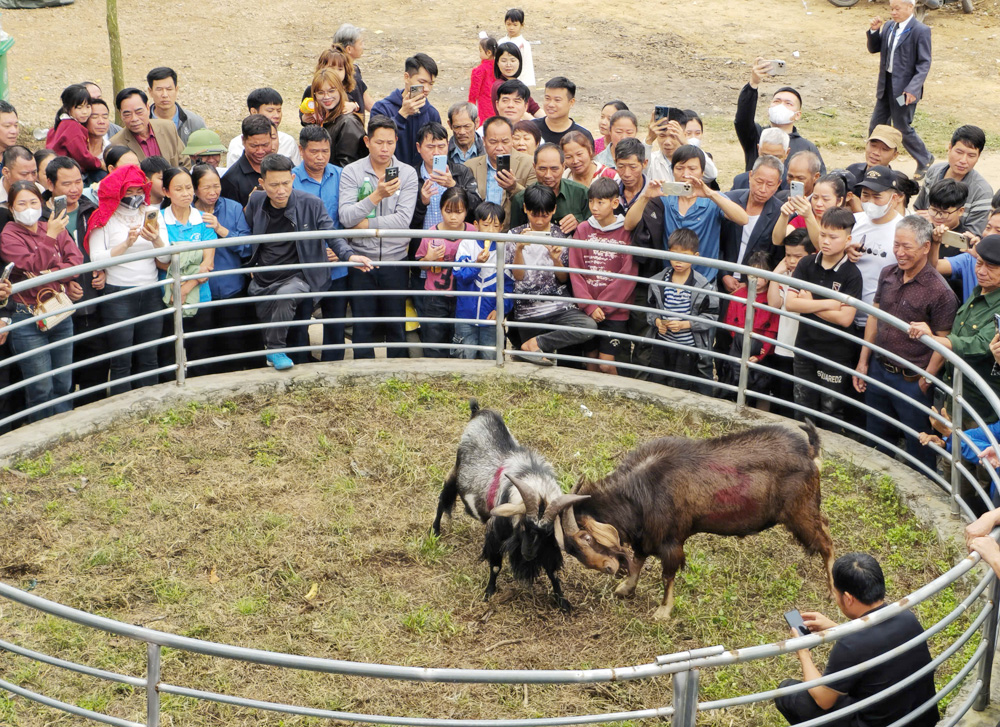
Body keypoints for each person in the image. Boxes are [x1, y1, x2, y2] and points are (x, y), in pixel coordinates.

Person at [775, 552, 938, 727]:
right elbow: (874, 641)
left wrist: (803, 651)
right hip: (921, 718)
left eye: (835, 593)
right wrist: (836, 628)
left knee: (787, 693)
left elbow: (823, 699)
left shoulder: (851, 644)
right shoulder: (906, 616)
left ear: (848, 598)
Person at [245, 154, 368, 370]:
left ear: (293, 178)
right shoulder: (256, 200)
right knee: (274, 322)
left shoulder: (310, 203)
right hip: (266, 276)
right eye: (274, 185)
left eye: (285, 183)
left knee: (289, 302)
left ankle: (276, 350)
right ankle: (279, 357)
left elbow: (331, 233)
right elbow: (249, 233)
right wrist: (251, 265)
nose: (281, 190)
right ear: (262, 183)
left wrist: (348, 255)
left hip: (300, 275)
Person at [853, 216, 957, 470]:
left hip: (912, 379)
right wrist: (864, 361)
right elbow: (874, 318)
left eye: (907, 246)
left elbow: (944, 341)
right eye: (896, 244)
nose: (899, 252)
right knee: (876, 432)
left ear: (925, 247)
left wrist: (926, 379)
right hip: (880, 368)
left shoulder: (941, 292)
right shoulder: (888, 273)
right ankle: (873, 480)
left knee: (918, 443)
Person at [1, 180, 83, 421]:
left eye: (33, 202)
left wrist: (48, 268)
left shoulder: (53, 226)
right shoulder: (9, 235)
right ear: (11, 208)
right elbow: (29, 264)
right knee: (40, 388)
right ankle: (41, 440)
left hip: (59, 311)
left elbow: (75, 262)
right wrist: (50, 239)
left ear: (42, 202)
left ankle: (64, 432)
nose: (29, 208)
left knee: (63, 382)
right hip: (27, 318)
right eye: (22, 203)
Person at [338, 115, 419, 359]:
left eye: (390, 143)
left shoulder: (407, 173)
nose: (385, 149)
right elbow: (345, 216)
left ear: (396, 141)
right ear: (367, 141)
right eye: (379, 142)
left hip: (395, 260)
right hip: (362, 260)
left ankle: (399, 376)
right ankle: (363, 376)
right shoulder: (351, 172)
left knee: (396, 324)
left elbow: (403, 221)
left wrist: (364, 224)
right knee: (363, 326)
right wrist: (376, 196)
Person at [86, 165, 171, 395]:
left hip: (151, 291)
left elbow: (166, 256)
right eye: (129, 191)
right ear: (117, 191)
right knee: (121, 359)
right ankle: (121, 410)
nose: (134, 197)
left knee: (149, 356)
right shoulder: (102, 217)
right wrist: (126, 244)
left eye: (138, 191)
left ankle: (151, 405)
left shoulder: (151, 212)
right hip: (118, 295)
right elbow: (96, 259)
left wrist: (155, 241)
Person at [912, 235, 1000, 435]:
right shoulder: (980, 291)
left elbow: (979, 344)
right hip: (955, 394)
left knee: (980, 459)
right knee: (950, 455)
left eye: (991, 268)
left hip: (981, 407)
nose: (981, 271)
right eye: (979, 263)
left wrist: (933, 339)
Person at [626, 145, 750, 283]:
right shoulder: (665, 197)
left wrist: (710, 194)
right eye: (679, 168)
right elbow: (629, 224)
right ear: (672, 170)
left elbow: (743, 219)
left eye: (692, 169)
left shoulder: (713, 199)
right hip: (669, 281)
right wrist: (645, 197)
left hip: (704, 282)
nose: (685, 174)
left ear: (702, 172)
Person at [785, 208, 863, 425]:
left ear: (848, 240)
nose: (826, 241)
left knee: (831, 410)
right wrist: (831, 302)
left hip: (835, 354)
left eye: (833, 237)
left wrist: (808, 303)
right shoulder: (806, 263)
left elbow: (846, 319)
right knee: (802, 406)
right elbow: (790, 303)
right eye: (822, 235)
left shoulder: (852, 274)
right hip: (804, 346)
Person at [506, 185, 596, 364]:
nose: (539, 221)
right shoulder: (514, 235)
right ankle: (532, 346)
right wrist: (519, 250)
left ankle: (535, 343)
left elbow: (563, 279)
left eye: (545, 215)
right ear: (525, 209)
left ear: (553, 210)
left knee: (588, 327)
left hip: (560, 307)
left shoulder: (562, 236)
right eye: (534, 214)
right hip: (527, 309)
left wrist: (556, 259)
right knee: (532, 367)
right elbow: (518, 276)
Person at [44, 156, 106, 405]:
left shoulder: (90, 209)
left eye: (78, 182)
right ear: (50, 184)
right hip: (56, 306)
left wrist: (102, 269)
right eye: (66, 184)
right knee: (63, 373)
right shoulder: (39, 217)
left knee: (97, 368)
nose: (74, 189)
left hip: (93, 302)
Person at [191, 164, 256, 372]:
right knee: (202, 347)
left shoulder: (234, 208)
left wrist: (221, 230)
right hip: (198, 291)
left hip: (231, 290)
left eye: (216, 186)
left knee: (233, 345)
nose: (213, 192)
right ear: (194, 189)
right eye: (206, 187)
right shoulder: (187, 213)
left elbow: (248, 247)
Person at [569, 177, 637, 374]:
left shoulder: (626, 231)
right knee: (590, 359)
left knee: (606, 363)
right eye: (591, 201)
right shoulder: (583, 229)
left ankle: (616, 397)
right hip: (588, 309)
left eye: (600, 202)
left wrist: (604, 306)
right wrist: (589, 305)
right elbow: (576, 270)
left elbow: (628, 275)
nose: (594, 207)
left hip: (615, 311)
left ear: (614, 203)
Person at [866, 0, 934, 180]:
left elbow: (924, 63)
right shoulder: (889, 26)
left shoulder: (920, 31)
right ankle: (878, 165)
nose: (893, 12)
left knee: (902, 126)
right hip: (886, 87)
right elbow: (874, 49)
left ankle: (925, 158)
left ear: (910, 8)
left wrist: (913, 89)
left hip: (904, 92)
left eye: (897, 9)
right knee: (876, 126)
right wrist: (874, 31)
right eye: (891, 9)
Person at [157, 167, 215, 370]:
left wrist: (183, 289)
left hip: (199, 296)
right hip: (167, 297)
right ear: (166, 192)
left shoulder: (204, 219)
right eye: (179, 189)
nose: (186, 193)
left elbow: (207, 264)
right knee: (168, 353)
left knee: (200, 350)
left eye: (189, 187)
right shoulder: (159, 219)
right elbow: (160, 261)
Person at [646, 228, 718, 394]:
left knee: (682, 386)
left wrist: (685, 324)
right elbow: (650, 309)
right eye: (674, 254)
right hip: (662, 343)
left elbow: (711, 316)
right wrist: (657, 322)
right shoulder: (658, 281)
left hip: (687, 347)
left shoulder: (703, 285)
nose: (678, 261)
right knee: (659, 381)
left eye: (684, 255)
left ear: (695, 256)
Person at [414, 186, 475, 357]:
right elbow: (420, 264)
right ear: (440, 209)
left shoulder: (472, 232)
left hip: (463, 296)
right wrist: (429, 258)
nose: (453, 217)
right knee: (434, 338)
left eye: (459, 211)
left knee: (459, 338)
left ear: (466, 212)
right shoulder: (432, 233)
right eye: (448, 211)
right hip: (435, 296)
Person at [734, 60, 825, 174]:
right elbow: (743, 119)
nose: (781, 106)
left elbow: (819, 179)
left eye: (788, 103)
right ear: (769, 109)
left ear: (797, 115)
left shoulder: (807, 148)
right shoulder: (756, 135)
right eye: (777, 101)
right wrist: (753, 84)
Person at [850, 167, 906, 336]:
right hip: (847, 315)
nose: (870, 201)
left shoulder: (904, 229)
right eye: (865, 195)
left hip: (881, 322)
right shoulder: (854, 221)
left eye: (877, 196)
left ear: (894, 198)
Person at [453, 201, 512, 359]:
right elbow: (460, 274)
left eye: (495, 226)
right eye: (485, 225)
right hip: (466, 316)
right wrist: (477, 264)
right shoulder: (467, 244)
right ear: (476, 225)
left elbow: (509, 286)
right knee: (465, 356)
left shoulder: (504, 249)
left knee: (490, 357)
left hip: (491, 318)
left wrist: (501, 309)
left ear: (501, 228)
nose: (490, 230)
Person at [719, 155, 784, 297]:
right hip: (721, 281)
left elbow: (777, 256)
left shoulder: (781, 214)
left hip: (756, 290)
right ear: (750, 176)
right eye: (759, 182)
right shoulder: (730, 200)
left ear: (778, 184)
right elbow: (716, 240)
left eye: (770, 185)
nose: (763, 189)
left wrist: (752, 283)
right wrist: (723, 274)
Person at [766, 229, 815, 415]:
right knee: (783, 396)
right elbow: (774, 303)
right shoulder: (785, 274)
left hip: (804, 346)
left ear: (811, 255)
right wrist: (776, 275)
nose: (792, 261)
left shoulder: (813, 277)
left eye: (798, 256)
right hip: (784, 344)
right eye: (788, 255)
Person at [912, 125, 992, 236]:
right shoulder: (933, 171)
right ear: (949, 148)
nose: (963, 160)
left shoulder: (982, 192)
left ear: (978, 156)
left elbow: (973, 236)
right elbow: (919, 209)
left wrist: (936, 222)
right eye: (959, 152)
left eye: (971, 155)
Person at [721, 251, 779, 393]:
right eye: (752, 274)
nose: (756, 280)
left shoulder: (772, 298)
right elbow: (731, 322)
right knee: (734, 383)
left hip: (764, 352)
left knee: (762, 389)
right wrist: (742, 344)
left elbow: (772, 329)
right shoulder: (739, 294)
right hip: (739, 347)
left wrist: (760, 353)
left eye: (761, 275)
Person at [463, 116, 536, 230]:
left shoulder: (529, 164)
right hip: (480, 233)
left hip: (514, 234)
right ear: (484, 141)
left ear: (512, 140)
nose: (499, 147)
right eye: (493, 142)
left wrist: (514, 187)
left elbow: (535, 202)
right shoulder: (470, 166)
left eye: (505, 141)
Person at [371, 53, 441, 170]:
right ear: (406, 77)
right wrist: (402, 114)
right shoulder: (381, 108)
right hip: (390, 174)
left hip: (421, 180)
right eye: (422, 82)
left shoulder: (432, 113)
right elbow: (378, 141)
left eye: (431, 84)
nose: (427, 89)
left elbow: (438, 150)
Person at [410, 121, 482, 231]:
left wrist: (454, 186)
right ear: (418, 147)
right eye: (430, 147)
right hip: (423, 243)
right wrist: (422, 202)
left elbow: (477, 208)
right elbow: (407, 221)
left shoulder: (461, 172)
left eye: (441, 146)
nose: (436, 152)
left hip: (459, 243)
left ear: (448, 146)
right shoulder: (411, 175)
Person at [508, 143, 588, 233]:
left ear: (563, 167)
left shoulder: (581, 193)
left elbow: (597, 227)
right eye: (542, 169)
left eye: (554, 169)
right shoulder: (520, 199)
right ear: (534, 167)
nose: (548, 175)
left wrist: (581, 223)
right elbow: (514, 237)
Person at [301, 68, 367, 167]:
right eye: (320, 92)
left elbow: (347, 166)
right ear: (314, 95)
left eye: (331, 91)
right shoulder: (322, 118)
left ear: (340, 90)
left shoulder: (348, 122)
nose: (326, 97)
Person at [936, 207, 1000, 304]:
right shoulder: (971, 257)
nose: (989, 234)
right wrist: (935, 243)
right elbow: (934, 267)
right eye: (988, 227)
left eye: (998, 231)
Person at [110, 88, 188, 167]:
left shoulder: (168, 127)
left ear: (147, 108)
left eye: (139, 112)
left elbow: (185, 162)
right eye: (127, 114)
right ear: (120, 115)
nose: (134, 119)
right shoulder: (116, 144)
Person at [226, 89, 301, 168]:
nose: (277, 115)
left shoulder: (288, 141)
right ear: (254, 112)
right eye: (270, 111)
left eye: (279, 111)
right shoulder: (237, 144)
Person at [773, 172, 850, 248]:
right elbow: (777, 240)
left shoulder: (844, 223)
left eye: (825, 199)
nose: (819, 204)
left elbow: (821, 247)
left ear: (839, 201)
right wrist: (784, 215)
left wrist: (809, 216)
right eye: (815, 197)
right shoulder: (802, 219)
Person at [649, 113, 719, 186]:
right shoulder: (651, 160)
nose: (667, 142)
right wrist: (649, 139)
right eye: (662, 136)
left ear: (683, 135)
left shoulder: (693, 158)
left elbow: (711, 174)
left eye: (673, 136)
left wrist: (686, 143)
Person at [45, 84, 101, 175]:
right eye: (79, 108)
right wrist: (99, 163)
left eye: (88, 106)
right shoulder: (73, 127)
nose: (85, 112)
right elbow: (82, 157)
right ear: (67, 108)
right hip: (66, 172)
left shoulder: (62, 124)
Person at [221, 115, 273, 207]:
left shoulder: (283, 166)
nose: (260, 151)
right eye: (254, 146)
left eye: (265, 145)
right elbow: (231, 218)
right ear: (243, 141)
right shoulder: (231, 180)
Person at [300, 46, 361, 122]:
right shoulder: (311, 90)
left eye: (340, 69)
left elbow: (360, 112)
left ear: (346, 71)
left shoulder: (351, 90)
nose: (336, 72)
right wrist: (304, 119)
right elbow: (302, 111)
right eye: (331, 68)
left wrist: (354, 106)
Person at [146, 67, 206, 144]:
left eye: (169, 89)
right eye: (159, 89)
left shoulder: (194, 122)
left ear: (176, 90)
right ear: (150, 92)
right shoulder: (143, 123)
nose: (164, 95)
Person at [533, 77, 594, 147]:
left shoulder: (583, 135)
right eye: (547, 98)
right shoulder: (531, 129)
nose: (551, 104)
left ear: (571, 102)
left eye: (557, 100)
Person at [332, 23, 375, 113]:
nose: (363, 46)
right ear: (349, 49)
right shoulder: (335, 75)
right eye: (360, 43)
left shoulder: (355, 70)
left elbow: (367, 102)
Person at [490, 46, 541, 119]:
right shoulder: (499, 86)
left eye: (513, 60)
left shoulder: (517, 84)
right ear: (497, 63)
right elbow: (520, 113)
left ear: (519, 62)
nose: (508, 65)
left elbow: (534, 108)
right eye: (504, 61)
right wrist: (538, 126)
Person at [500, 8, 535, 87]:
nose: (511, 28)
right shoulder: (500, 42)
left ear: (521, 25)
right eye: (508, 24)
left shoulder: (524, 45)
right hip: (502, 82)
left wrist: (525, 85)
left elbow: (527, 66)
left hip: (518, 83)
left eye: (515, 25)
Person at [469, 36, 498, 128]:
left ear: (488, 52)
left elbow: (474, 90)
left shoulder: (479, 70)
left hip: (484, 103)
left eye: (480, 50)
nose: (479, 53)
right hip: (497, 102)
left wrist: (471, 104)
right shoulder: (499, 67)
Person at [614, 138, 648, 215]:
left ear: (644, 163)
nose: (627, 174)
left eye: (633, 167)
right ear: (615, 162)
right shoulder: (609, 192)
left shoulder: (654, 195)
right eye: (621, 166)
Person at [85, 98, 112, 173]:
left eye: (105, 117)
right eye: (94, 117)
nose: (101, 122)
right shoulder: (75, 147)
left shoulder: (110, 150)